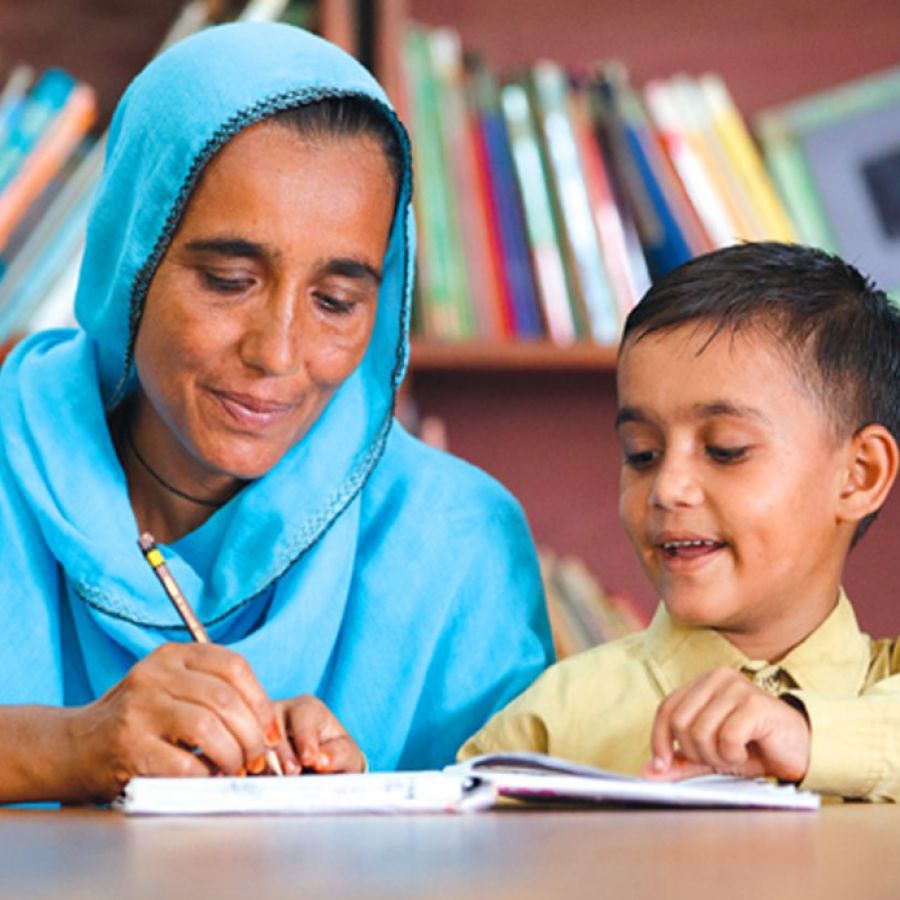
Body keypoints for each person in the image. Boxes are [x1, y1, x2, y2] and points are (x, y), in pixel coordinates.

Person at [0, 22, 553, 804]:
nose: (280, 353)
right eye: (229, 280)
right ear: (132, 252)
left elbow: (523, 854)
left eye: (337, 301)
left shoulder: (457, 547)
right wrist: (71, 747)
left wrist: (349, 817)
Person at [459, 242, 900, 802]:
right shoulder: (552, 721)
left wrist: (807, 734)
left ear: (859, 475)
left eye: (725, 449)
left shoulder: (884, 693)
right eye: (642, 453)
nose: (667, 488)